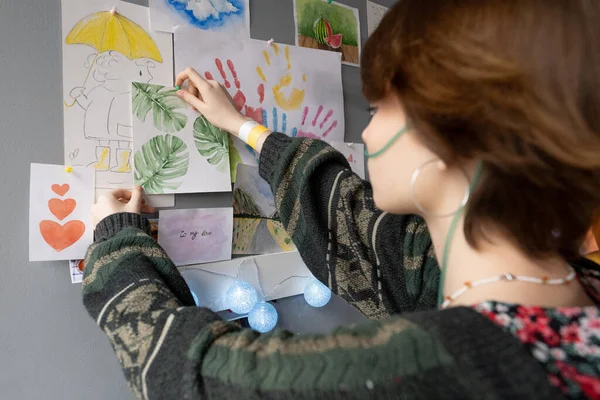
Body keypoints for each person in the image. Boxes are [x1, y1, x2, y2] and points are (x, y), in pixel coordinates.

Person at [82, 1, 600, 399]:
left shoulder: (442, 370)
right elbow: (361, 230)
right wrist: (241, 125)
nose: (368, 134)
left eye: (379, 109)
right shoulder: (572, 294)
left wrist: (118, 240)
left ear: (452, 135)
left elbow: (199, 373)